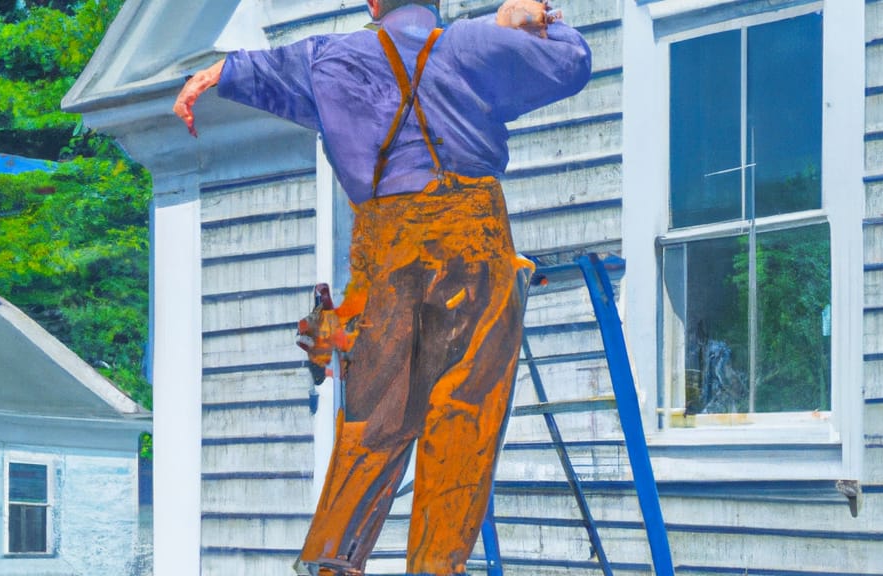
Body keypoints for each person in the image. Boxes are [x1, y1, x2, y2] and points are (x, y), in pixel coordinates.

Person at [174, 1, 590, 574]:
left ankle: (330, 562)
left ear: (373, 3)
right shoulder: (472, 45)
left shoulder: (326, 57)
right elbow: (570, 64)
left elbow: (251, 72)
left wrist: (206, 80)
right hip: (472, 238)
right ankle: (435, 568)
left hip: (384, 248)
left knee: (371, 419)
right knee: (463, 412)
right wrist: (535, 20)